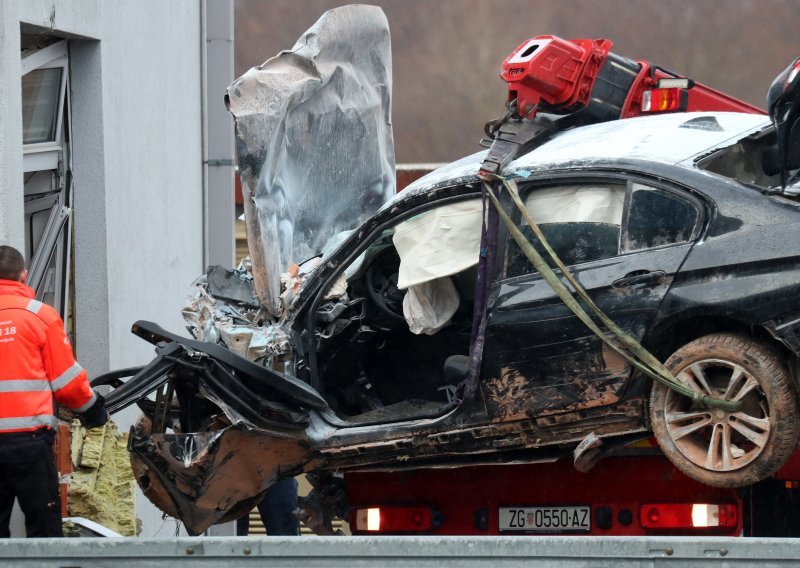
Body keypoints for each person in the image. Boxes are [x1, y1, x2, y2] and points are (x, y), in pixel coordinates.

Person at [0, 245, 108, 538]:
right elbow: (66, 381)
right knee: (44, 532)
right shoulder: (40, 315)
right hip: (29, 443)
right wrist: (92, 410)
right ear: (23, 276)